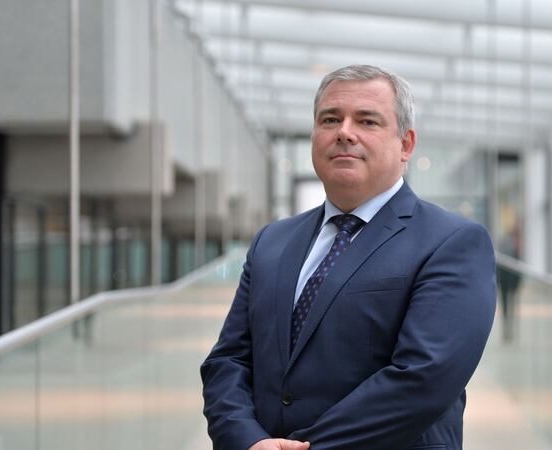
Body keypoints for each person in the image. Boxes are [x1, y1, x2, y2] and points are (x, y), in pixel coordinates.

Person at [201, 65, 496, 450]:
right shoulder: (272, 241)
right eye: (330, 119)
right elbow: (228, 361)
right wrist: (246, 440)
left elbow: (422, 379)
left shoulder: (452, 242)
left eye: (367, 121)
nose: (344, 132)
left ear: (405, 144)